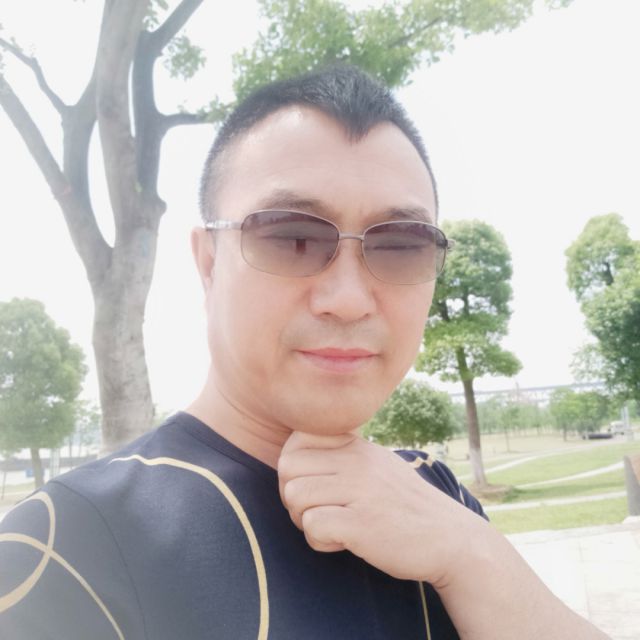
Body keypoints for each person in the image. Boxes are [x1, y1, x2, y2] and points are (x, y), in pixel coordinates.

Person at [0, 65, 608, 639]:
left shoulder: (432, 494)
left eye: (400, 245)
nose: (348, 299)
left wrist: (473, 555)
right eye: (293, 238)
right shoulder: (66, 543)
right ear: (209, 264)